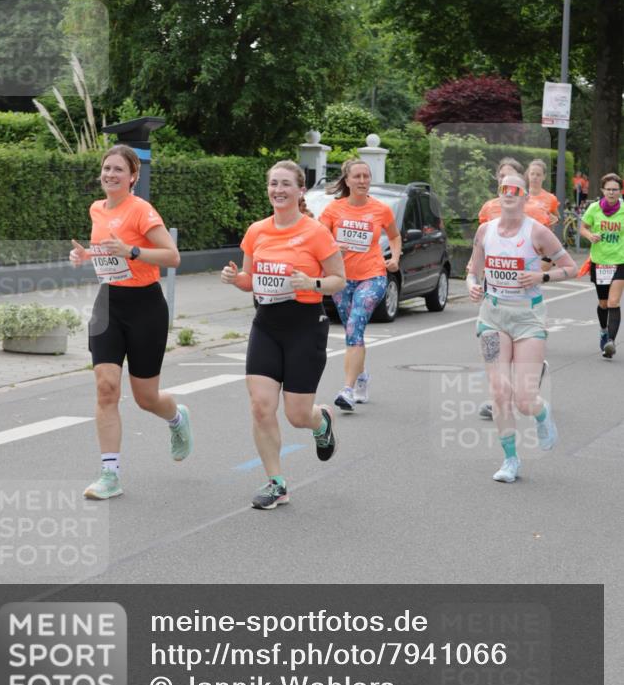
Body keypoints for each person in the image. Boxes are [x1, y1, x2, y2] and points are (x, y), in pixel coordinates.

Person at [221, 160, 346, 510]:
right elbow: (250, 280)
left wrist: (313, 283)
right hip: (266, 324)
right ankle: (276, 483)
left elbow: (340, 278)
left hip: (305, 325)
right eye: (273, 184)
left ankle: (321, 421)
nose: (278, 190)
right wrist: (236, 279)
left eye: (286, 184)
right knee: (261, 407)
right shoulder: (257, 231)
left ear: (300, 189)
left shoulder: (316, 232)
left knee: (296, 415)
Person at [69, 145, 191, 499]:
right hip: (109, 303)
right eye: (106, 168)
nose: (110, 175)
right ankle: (110, 475)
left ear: (133, 176)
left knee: (146, 397)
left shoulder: (142, 211)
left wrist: (133, 251)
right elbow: (108, 250)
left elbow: (172, 256)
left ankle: (176, 418)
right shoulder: (97, 208)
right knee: (106, 388)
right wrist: (86, 254)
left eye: (118, 169)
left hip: (145, 307)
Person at [467, 173, 577, 483]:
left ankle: (542, 416)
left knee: (525, 399)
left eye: (515, 189)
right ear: (498, 195)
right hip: (491, 317)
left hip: (528, 319)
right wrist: (474, 286)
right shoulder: (485, 231)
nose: (509, 193)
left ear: (525, 197)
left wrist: (542, 277)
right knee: (500, 392)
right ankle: (510, 460)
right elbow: (472, 272)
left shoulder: (537, 232)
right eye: (504, 189)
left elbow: (571, 267)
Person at [318, 158, 401, 411]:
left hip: (373, 276)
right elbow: (319, 239)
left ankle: (347, 389)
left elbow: (395, 236)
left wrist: (394, 258)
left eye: (366, 176)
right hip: (341, 279)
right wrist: (332, 249)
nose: (363, 181)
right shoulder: (333, 210)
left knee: (355, 323)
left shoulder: (381, 209)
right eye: (358, 177)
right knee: (352, 331)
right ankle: (362, 376)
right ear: (347, 180)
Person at [579, 172, 624, 359]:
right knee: (603, 303)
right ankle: (604, 330)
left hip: (620, 261)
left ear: (620, 191)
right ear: (603, 190)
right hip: (599, 261)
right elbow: (583, 227)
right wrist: (590, 236)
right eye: (609, 189)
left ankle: (611, 342)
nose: (612, 193)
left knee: (614, 302)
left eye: (615, 190)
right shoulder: (594, 209)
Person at [526, 159, 559, 226]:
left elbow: (557, 218)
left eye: (538, 175)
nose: (534, 177)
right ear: (528, 175)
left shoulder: (551, 198)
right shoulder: (519, 195)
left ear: (544, 177)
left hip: (542, 235)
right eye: (532, 174)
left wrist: (556, 219)